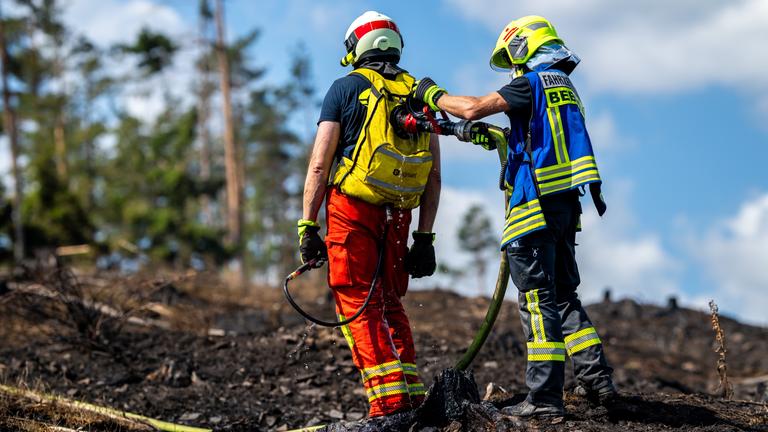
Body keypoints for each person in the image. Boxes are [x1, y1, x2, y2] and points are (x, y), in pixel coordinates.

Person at [411, 16, 616, 418]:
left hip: (533, 209)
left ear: (523, 47)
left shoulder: (530, 83)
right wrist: (471, 134)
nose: (513, 69)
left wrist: (432, 94)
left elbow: (473, 108)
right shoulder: (565, 87)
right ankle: (597, 380)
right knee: (564, 296)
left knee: (537, 302)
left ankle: (544, 400)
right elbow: (537, 138)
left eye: (513, 59)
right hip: (565, 207)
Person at [298, 11, 441, 418]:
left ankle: (389, 406)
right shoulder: (419, 91)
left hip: (352, 210)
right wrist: (424, 238)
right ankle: (411, 397)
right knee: (389, 301)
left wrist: (308, 225)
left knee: (357, 300)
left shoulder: (345, 88)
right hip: (399, 214)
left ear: (356, 47)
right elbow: (433, 176)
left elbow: (319, 165)